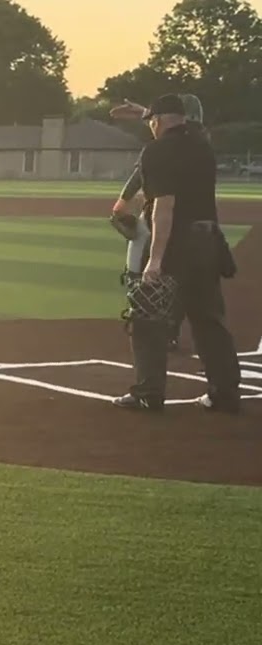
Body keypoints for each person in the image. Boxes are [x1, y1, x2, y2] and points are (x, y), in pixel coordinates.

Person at [113, 94, 241, 414]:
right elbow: (183, 125)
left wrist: (154, 261)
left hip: (176, 243)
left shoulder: (157, 150)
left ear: (157, 122)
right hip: (209, 241)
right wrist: (147, 111)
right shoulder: (202, 145)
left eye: (151, 122)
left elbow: (164, 207)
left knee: (148, 318)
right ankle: (224, 392)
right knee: (208, 319)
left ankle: (148, 392)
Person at [110, 94, 207, 351]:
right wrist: (146, 112)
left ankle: (148, 324)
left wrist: (122, 201)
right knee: (189, 285)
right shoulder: (199, 142)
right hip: (199, 225)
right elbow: (170, 130)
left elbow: (147, 168)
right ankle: (171, 329)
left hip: (161, 217)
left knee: (142, 269)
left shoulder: (163, 148)